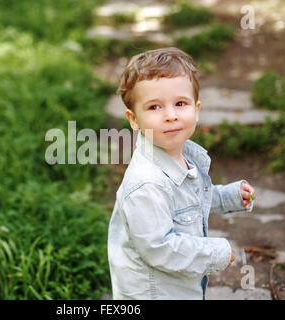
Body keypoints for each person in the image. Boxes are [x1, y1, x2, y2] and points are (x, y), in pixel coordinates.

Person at [107, 47, 256, 300]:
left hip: (177, 286)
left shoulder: (181, 155)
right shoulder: (147, 184)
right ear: (134, 119)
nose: (171, 115)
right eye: (154, 107)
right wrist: (216, 252)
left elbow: (189, 200)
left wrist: (230, 196)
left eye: (180, 103)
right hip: (154, 292)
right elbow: (159, 248)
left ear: (196, 110)